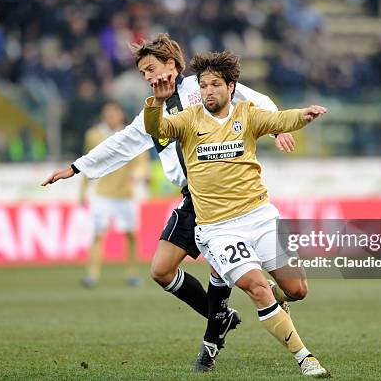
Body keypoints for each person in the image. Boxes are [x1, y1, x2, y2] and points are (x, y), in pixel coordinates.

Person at [41, 34, 297, 361]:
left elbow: (252, 99)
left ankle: (227, 322)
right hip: (194, 198)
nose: (147, 77)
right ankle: (220, 315)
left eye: (151, 69)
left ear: (171, 64)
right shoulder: (153, 112)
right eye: (143, 73)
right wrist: (76, 168)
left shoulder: (202, 87)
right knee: (161, 271)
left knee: (262, 280)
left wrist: (278, 128)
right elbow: (121, 144)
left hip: (228, 195)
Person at [144, 50, 329, 377]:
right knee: (256, 287)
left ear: (231, 87)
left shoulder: (247, 114)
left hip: (260, 217)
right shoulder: (188, 121)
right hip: (218, 228)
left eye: (215, 84)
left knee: (298, 290)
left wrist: (304, 115)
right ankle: (306, 358)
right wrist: (156, 102)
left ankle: (270, 298)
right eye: (203, 85)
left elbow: (279, 119)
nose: (208, 91)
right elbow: (157, 127)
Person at [80, 101, 149, 288]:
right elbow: (87, 162)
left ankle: (132, 273)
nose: (111, 116)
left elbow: (142, 162)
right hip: (102, 193)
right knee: (98, 234)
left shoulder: (130, 134)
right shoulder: (93, 136)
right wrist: (83, 190)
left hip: (126, 194)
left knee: (132, 235)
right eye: (108, 112)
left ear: (121, 115)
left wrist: (139, 174)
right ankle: (92, 275)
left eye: (114, 112)